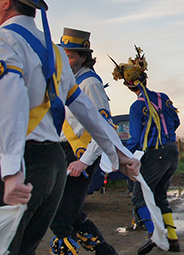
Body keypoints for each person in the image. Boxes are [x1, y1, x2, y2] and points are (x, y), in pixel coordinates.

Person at [0, 0, 139, 255]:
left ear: (6, 0)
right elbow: (84, 107)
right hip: (53, 165)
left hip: (21, 162)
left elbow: (10, 98)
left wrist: (11, 173)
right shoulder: (56, 53)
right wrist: (119, 153)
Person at [48, 28, 118, 255]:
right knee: (72, 213)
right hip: (63, 151)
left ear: (83, 57)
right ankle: (106, 252)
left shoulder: (89, 84)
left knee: (59, 218)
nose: (66, 61)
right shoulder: (67, 82)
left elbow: (103, 126)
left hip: (80, 155)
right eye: (63, 55)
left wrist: (85, 161)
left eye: (70, 56)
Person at [110, 47, 181, 254]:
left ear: (130, 85)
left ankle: (154, 235)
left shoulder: (136, 107)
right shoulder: (163, 97)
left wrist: (128, 157)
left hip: (154, 154)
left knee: (139, 197)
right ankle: (173, 240)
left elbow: (134, 139)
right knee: (160, 195)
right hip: (172, 151)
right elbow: (176, 121)